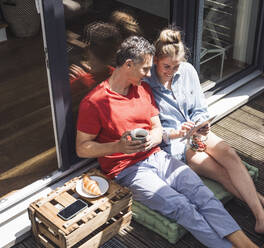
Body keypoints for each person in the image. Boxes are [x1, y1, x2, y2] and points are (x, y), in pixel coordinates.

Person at [75, 35, 259, 248]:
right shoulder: (95, 102)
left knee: (202, 194)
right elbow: (82, 148)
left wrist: (154, 138)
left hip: (157, 155)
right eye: (145, 69)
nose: (148, 74)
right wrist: (118, 146)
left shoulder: (142, 90)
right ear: (128, 65)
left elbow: (156, 127)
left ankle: (248, 245)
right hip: (127, 170)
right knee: (181, 206)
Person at [145, 27, 264, 234]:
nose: (171, 72)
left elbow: (200, 108)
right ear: (156, 59)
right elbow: (153, 129)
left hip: (197, 132)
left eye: (176, 66)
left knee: (229, 153)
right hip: (175, 145)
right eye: (167, 66)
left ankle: (260, 215)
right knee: (218, 172)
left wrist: (202, 122)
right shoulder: (146, 85)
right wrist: (177, 131)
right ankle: (260, 209)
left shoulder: (188, 71)